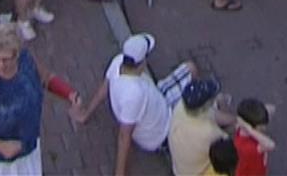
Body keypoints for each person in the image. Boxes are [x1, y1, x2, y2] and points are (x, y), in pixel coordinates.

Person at [0, 21, 82, 176]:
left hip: (25, 153)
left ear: (18, 53)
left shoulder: (27, 62)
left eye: (7, 59)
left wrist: (68, 93)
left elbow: (46, 78)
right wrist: (0, 146)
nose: (1, 65)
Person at [75, 32, 197, 176]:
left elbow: (104, 87)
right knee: (205, 110)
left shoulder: (118, 61)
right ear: (141, 62)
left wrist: (87, 112)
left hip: (158, 99)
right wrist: (119, 173)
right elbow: (124, 136)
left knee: (190, 68)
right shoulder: (134, 95)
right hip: (163, 129)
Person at [168, 77, 232, 176]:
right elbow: (228, 143)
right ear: (204, 107)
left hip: (180, 170)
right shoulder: (209, 132)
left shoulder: (180, 107)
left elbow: (212, 115)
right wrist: (224, 104)